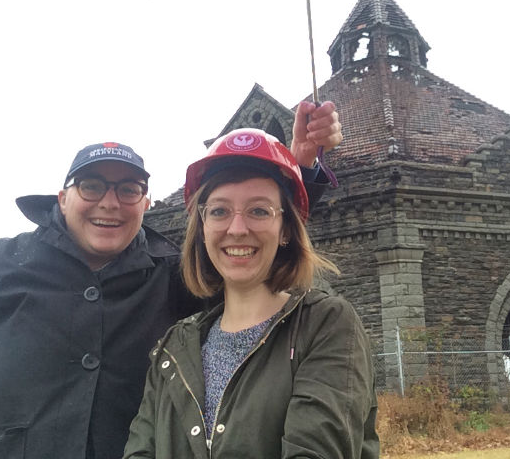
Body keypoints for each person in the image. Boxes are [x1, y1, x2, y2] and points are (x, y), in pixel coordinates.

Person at [0, 102, 342, 459]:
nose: (110, 202)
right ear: (62, 197)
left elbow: (247, 251)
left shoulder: (173, 274)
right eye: (92, 185)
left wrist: (299, 171)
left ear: (146, 204)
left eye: (129, 190)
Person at [123, 128, 379, 459]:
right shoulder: (175, 345)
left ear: (286, 228)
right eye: (219, 211)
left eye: (259, 210)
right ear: (202, 228)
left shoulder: (325, 325)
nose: (237, 228)